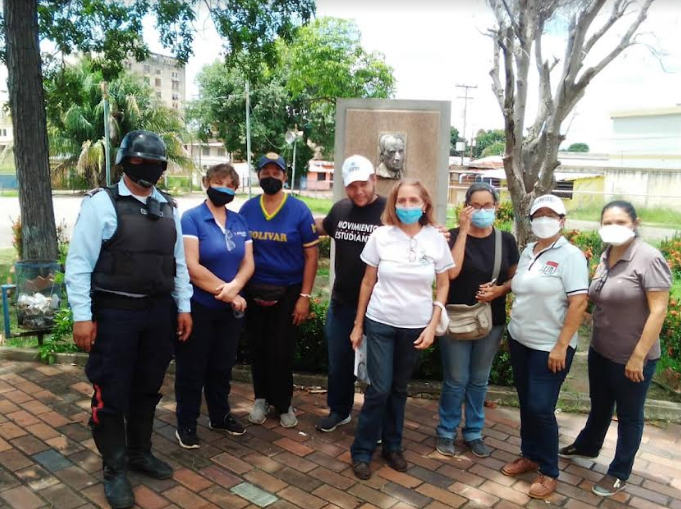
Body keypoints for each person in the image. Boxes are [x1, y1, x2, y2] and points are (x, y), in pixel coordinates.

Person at [65, 130, 193, 509]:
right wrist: (81, 317)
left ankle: (139, 452)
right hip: (115, 313)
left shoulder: (169, 207)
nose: (147, 168)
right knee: (112, 391)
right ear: (124, 162)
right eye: (139, 161)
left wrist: (183, 307)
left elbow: (179, 265)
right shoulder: (101, 204)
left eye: (155, 162)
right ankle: (114, 469)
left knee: (147, 388)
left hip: (157, 313)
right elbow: (78, 266)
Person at [559, 201, 671, 498]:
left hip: (633, 357)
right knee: (600, 405)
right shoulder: (606, 254)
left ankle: (619, 472)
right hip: (601, 349)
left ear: (635, 223)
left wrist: (638, 356)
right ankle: (587, 445)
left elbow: (659, 311)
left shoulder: (649, 258)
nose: (613, 228)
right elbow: (602, 298)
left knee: (630, 416)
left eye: (620, 222)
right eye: (607, 222)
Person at [349, 178, 454, 480]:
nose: (407, 206)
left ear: (425, 205)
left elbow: (444, 283)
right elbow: (368, 281)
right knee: (379, 389)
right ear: (394, 204)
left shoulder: (435, 239)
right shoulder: (381, 236)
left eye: (413, 201)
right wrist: (358, 325)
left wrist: (433, 325)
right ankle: (362, 451)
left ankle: (393, 447)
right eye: (402, 201)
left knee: (399, 389)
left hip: (416, 327)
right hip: (381, 321)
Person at [500, 194, 588, 500]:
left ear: (562, 221)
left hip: (550, 347)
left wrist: (561, 345)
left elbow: (579, 302)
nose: (544, 219)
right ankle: (530, 454)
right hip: (520, 339)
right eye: (539, 214)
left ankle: (549, 470)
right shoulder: (528, 250)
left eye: (551, 214)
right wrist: (501, 289)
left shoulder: (571, 256)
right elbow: (521, 285)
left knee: (541, 407)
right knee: (527, 403)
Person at [174, 163, 254, 449]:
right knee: (192, 368)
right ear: (206, 182)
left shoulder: (238, 221)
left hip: (230, 312)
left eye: (231, 185)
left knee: (222, 366)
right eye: (219, 182)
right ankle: (186, 423)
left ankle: (219, 416)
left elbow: (248, 262)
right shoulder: (192, 219)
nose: (225, 188)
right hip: (199, 307)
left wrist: (234, 290)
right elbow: (191, 266)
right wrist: (230, 292)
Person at [436, 183, 519, 458]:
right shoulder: (451, 236)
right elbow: (452, 273)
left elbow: (515, 277)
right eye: (476, 205)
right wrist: (462, 232)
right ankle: (446, 431)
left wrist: (500, 290)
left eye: (488, 206)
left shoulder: (504, 240)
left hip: (490, 321)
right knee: (456, 379)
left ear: (496, 207)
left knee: (479, 380)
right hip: (456, 318)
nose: (482, 211)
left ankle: (473, 431)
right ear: (466, 206)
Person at [239, 152, 319, 428]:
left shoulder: (299, 210)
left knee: (282, 351)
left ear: (285, 176)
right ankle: (261, 398)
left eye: (277, 172)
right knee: (258, 348)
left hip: (288, 291)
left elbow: (311, 256)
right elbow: (239, 252)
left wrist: (304, 297)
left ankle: (283, 404)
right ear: (259, 175)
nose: (271, 176)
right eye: (266, 171)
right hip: (253, 289)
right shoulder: (247, 209)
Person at [314, 155, 387, 432]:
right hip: (343, 303)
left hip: (379, 306)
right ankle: (339, 410)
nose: (358, 192)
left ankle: (374, 420)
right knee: (339, 361)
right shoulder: (340, 210)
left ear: (374, 180)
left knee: (378, 370)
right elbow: (321, 227)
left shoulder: (389, 211)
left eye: (363, 184)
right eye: (351, 186)